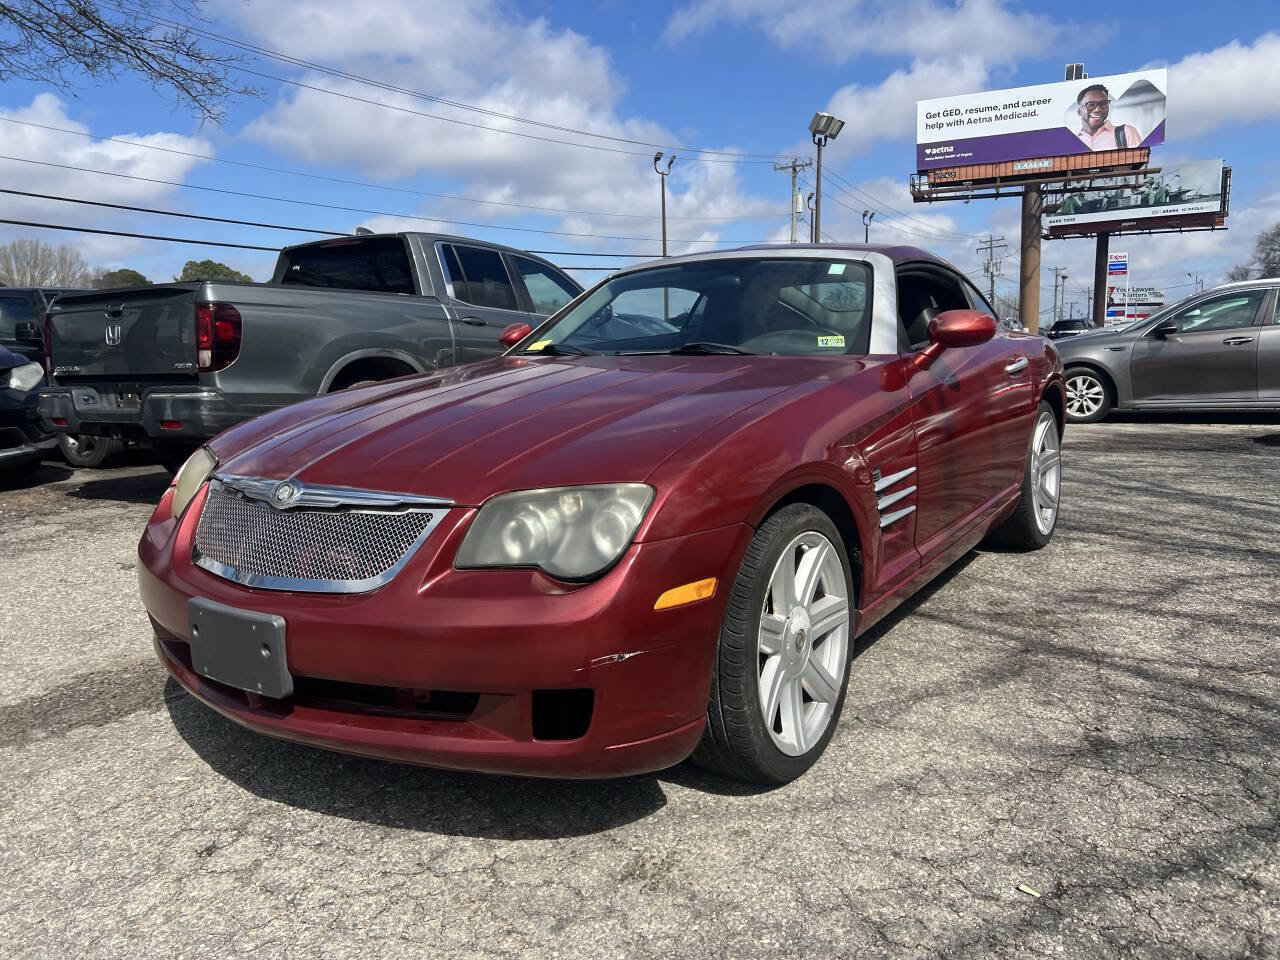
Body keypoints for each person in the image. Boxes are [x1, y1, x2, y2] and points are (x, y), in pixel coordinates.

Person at [1074, 84, 1142, 152]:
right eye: (1091, 105)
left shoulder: (1126, 133)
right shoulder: (1072, 141)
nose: (1097, 109)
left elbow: (1141, 160)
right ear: (1079, 111)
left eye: (1103, 104)